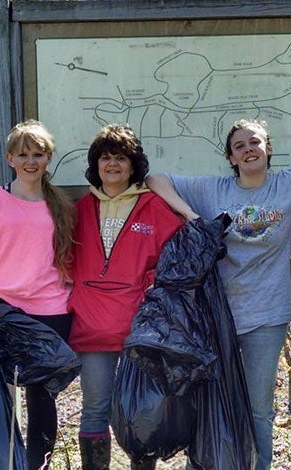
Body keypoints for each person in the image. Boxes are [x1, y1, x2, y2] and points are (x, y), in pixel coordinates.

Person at [146, 119, 291, 470]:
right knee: (211, 400)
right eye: (239, 146)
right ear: (231, 158)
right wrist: (191, 215)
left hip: (267, 317)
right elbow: (156, 180)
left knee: (259, 408)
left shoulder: (287, 182)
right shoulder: (214, 190)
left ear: (269, 148)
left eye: (254, 142)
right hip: (218, 316)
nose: (248, 149)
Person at [0, 119, 76, 469]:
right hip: (0, 310)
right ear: (10, 158)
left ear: (47, 159)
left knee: (42, 398)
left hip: (50, 313)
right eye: (23, 154)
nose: (31, 161)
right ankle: (2, 463)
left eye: (38, 154)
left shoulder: (62, 205)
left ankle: (38, 463)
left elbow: (70, 260)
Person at [68, 124, 184, 470]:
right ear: (96, 165)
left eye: (121, 157)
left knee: (142, 413)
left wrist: (152, 283)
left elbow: (175, 258)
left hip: (140, 329)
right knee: (94, 410)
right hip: (92, 328)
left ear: (133, 165)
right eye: (106, 157)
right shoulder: (79, 210)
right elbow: (61, 261)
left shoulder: (154, 207)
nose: (113, 164)